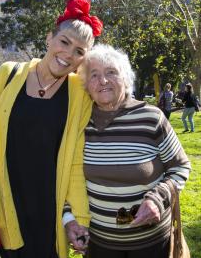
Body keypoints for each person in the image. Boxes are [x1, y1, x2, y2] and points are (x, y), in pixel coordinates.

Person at [0, 0, 103, 258]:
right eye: (64, 41)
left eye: (79, 52)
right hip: (6, 205)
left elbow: (75, 161)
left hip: (49, 209)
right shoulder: (8, 74)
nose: (68, 54)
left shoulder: (78, 94)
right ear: (49, 38)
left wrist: (79, 217)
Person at [76, 44, 191, 258]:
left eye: (111, 72)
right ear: (86, 85)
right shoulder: (80, 123)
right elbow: (67, 178)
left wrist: (159, 198)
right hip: (100, 243)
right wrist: (70, 220)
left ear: (126, 78)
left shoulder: (151, 118)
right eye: (94, 75)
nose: (103, 81)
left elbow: (180, 166)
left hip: (151, 241)